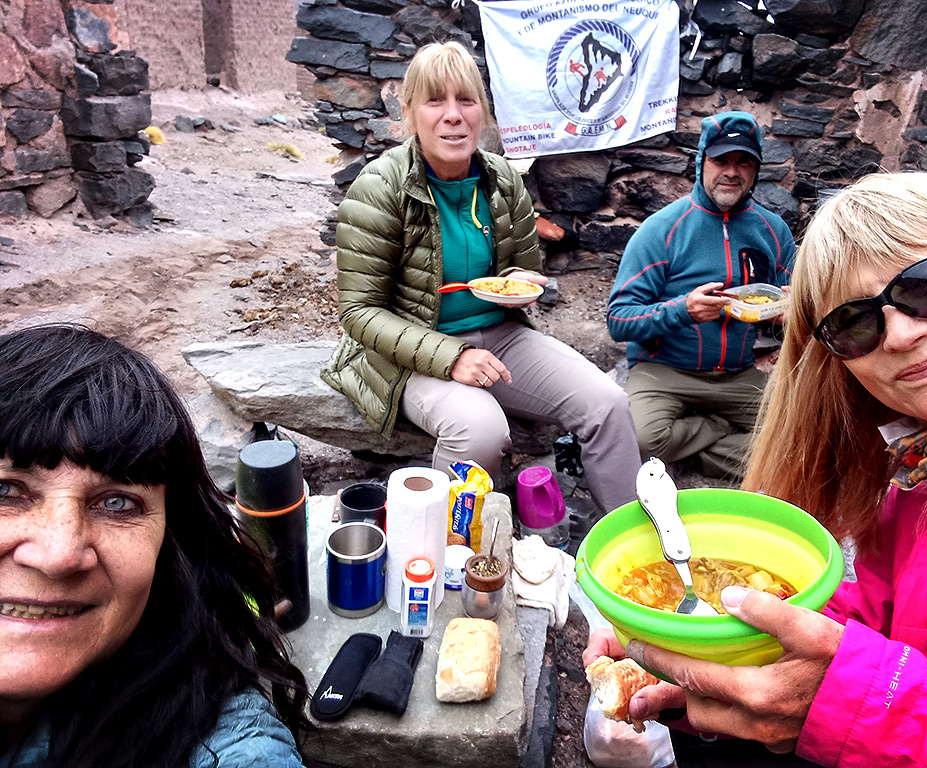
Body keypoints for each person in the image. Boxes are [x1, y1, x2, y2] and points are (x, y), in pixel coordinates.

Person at [586, 172, 927, 767]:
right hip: (669, 372)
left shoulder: (766, 230)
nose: (901, 334)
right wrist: (722, 648)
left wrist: (854, 701)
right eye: (854, 322)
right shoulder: (923, 470)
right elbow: (886, 618)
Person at [320, 40, 641, 514]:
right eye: (435, 100)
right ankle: (440, 541)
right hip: (408, 353)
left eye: (466, 100)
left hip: (501, 336)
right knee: (481, 431)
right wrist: (451, 357)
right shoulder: (379, 188)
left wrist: (519, 284)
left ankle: (630, 540)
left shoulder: (503, 180)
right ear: (410, 113)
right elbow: (359, 312)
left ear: (483, 112)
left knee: (608, 404)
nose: (453, 115)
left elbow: (522, 269)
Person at [0, 325, 309, 768]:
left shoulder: (228, 745)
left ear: (170, 543)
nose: (59, 554)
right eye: (6, 492)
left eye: (117, 503)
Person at [606, 110, 795, 481]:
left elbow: (796, 305)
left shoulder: (773, 231)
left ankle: (699, 449)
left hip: (737, 375)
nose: (732, 172)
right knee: (640, 440)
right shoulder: (661, 229)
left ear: (756, 170)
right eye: (721, 160)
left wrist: (791, 313)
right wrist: (684, 310)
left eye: (744, 162)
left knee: (801, 435)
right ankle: (720, 429)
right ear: (701, 162)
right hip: (664, 371)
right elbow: (619, 320)